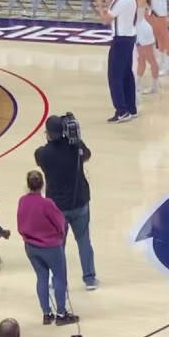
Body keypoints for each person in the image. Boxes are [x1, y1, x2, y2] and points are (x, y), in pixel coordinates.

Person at [34, 115, 99, 291]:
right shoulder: (76, 148)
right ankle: (90, 279)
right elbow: (87, 155)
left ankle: (59, 281)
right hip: (79, 201)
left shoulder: (43, 154)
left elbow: (41, 158)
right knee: (84, 241)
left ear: (47, 133)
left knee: (57, 246)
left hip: (57, 208)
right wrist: (77, 139)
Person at [17, 170, 77, 324]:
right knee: (59, 278)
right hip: (50, 246)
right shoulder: (47, 204)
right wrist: (59, 235)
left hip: (31, 246)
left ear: (28, 185)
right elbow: (60, 223)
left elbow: (20, 224)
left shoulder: (22, 201)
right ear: (43, 184)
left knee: (41, 277)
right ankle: (61, 314)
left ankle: (46, 314)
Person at [94, 0, 138, 123]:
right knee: (127, 74)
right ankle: (131, 108)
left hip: (120, 40)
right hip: (129, 38)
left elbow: (106, 19)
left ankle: (121, 110)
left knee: (115, 76)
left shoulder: (121, 0)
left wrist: (99, 4)